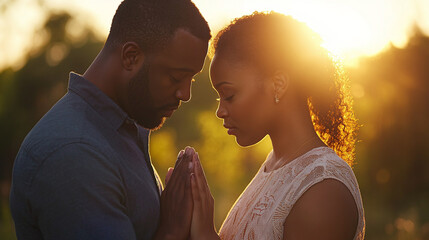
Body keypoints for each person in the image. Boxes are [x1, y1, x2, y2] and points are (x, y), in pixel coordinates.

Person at [9, 0, 210, 239]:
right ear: (131, 57)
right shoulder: (73, 153)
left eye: (192, 79)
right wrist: (171, 231)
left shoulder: (122, 127)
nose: (185, 94)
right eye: (176, 77)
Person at [188, 12, 365, 240]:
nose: (220, 111)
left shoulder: (323, 190)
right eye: (218, 98)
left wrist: (204, 235)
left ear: (278, 84)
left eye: (229, 95)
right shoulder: (274, 167)